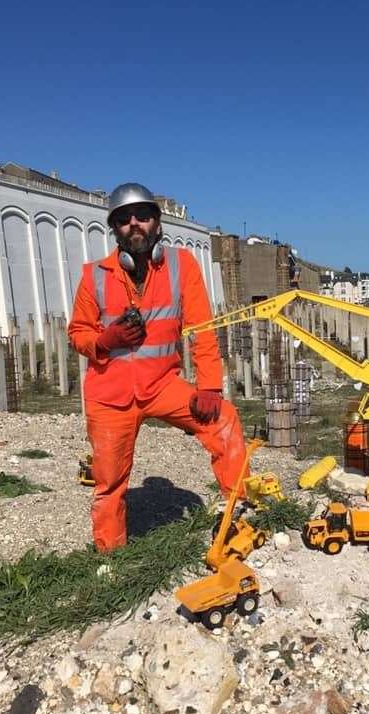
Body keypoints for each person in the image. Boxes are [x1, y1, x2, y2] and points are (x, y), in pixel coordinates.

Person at [68, 182, 247, 552]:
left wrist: (210, 387)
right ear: (114, 229)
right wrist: (105, 341)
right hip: (109, 394)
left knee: (224, 420)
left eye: (143, 216)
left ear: (158, 223)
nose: (134, 224)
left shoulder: (182, 266)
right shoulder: (94, 276)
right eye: (123, 219)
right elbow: (78, 333)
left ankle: (239, 513)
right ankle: (111, 555)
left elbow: (202, 330)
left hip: (163, 385)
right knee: (109, 483)